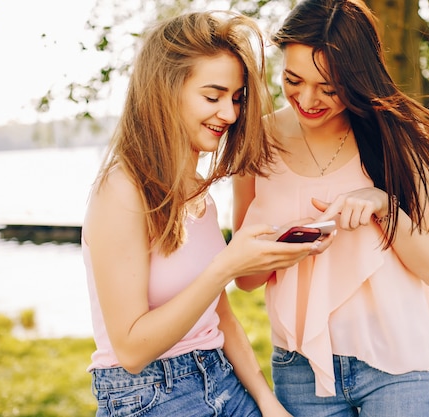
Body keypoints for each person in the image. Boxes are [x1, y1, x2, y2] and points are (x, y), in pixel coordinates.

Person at [232, 0, 429, 416]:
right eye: (293, 80)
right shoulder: (256, 142)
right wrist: (287, 244)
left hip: (392, 361)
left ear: (359, 79)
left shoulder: (400, 137)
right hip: (301, 368)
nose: (307, 99)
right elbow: (246, 279)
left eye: (329, 88)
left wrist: (382, 204)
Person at [82, 10, 321, 417]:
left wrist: (266, 401)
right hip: (149, 395)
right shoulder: (122, 190)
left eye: (236, 99)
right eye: (213, 97)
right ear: (164, 91)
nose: (229, 114)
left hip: (222, 379)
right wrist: (226, 266)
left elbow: (220, 315)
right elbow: (131, 348)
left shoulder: (199, 191)